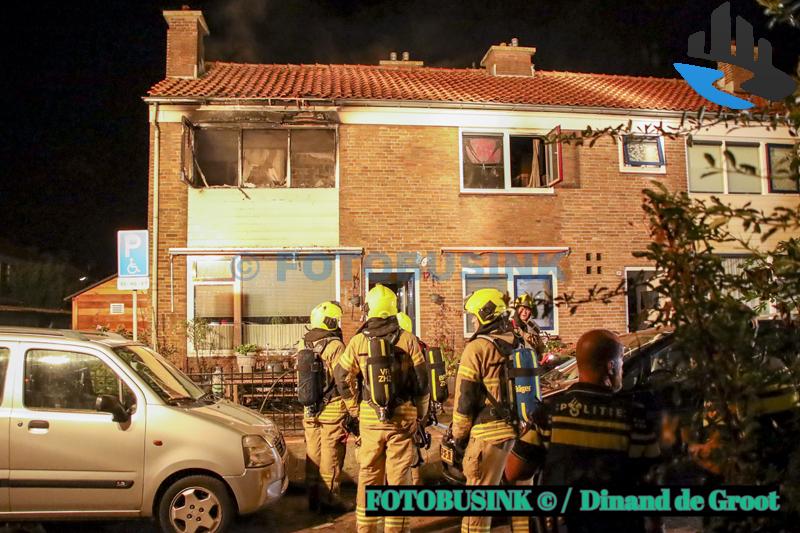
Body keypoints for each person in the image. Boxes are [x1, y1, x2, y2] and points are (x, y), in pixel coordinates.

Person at [504, 329, 661, 533]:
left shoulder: (550, 413)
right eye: (621, 363)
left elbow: (513, 471)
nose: (622, 370)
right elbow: (653, 485)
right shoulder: (635, 418)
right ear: (611, 366)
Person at [334, 285, 429, 533]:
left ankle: (366, 528)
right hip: (403, 418)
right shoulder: (408, 339)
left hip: (369, 417)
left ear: (369, 309)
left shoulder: (357, 342)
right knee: (399, 477)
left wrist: (354, 408)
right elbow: (422, 382)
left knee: (369, 474)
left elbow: (342, 376)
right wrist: (420, 413)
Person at [452, 287, 522, 533]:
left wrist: (458, 438)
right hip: (520, 433)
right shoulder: (519, 341)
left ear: (485, 314)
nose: (472, 321)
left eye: (474, 316)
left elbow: (465, 399)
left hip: (488, 437)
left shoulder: (477, 349)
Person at [300, 301, 352, 514]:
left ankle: (313, 497)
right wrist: (352, 405)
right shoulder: (335, 346)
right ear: (330, 321)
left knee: (313, 451)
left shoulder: (304, 344)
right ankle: (330, 499)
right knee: (332, 453)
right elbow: (342, 378)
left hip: (309, 408)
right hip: (331, 407)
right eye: (336, 320)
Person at [397, 311, 430, 486]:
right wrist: (423, 412)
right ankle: (416, 484)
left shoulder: (391, 346)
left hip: (397, 406)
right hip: (416, 405)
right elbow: (423, 381)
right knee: (414, 444)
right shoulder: (420, 346)